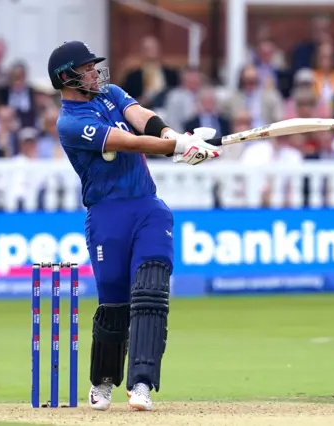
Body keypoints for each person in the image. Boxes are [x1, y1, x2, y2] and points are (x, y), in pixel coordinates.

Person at [47, 41, 221, 412]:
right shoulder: (71, 122)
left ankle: (142, 383)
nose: (96, 73)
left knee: (152, 289)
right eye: (88, 68)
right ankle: (104, 381)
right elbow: (125, 141)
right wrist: (175, 149)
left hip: (147, 207)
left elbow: (141, 116)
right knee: (114, 303)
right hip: (107, 215)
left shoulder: (110, 94)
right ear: (67, 77)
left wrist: (176, 136)